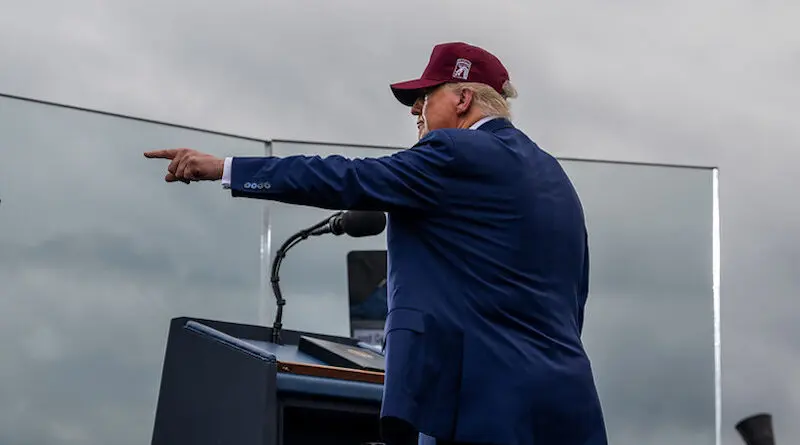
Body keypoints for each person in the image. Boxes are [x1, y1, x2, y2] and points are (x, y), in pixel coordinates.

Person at [144, 41, 608, 445]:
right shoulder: (556, 178)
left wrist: (225, 168)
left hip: (481, 410)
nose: (414, 110)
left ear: (463, 98)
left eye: (425, 97)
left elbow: (346, 178)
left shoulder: (454, 152)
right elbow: (574, 299)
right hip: (568, 409)